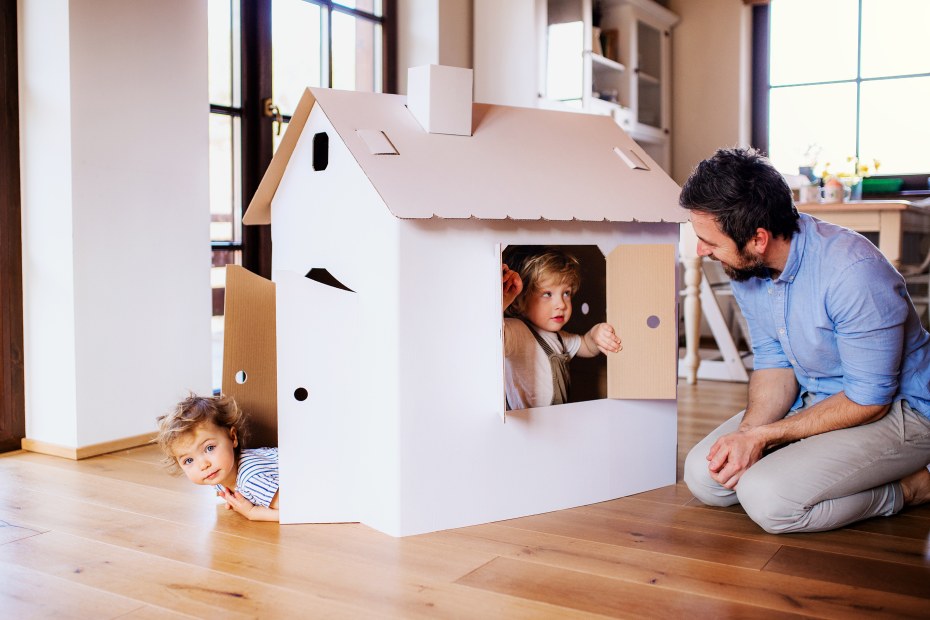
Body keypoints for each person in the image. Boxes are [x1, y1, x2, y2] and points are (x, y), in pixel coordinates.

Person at [680, 147, 930, 533]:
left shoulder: (854, 273)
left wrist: (766, 436)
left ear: (758, 239)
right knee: (705, 477)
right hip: (817, 396)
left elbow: (870, 400)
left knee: (769, 500)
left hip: (900, 409)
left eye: (708, 241)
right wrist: (748, 437)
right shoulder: (747, 267)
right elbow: (773, 362)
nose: (700, 250)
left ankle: (912, 487)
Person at [501, 246, 622, 409]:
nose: (561, 304)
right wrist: (503, 299)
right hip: (527, 424)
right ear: (518, 301)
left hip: (556, 418)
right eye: (547, 294)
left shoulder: (559, 337)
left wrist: (595, 335)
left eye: (566, 293)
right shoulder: (516, 331)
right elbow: (490, 334)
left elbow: (585, 346)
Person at [156, 393, 280, 522]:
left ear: (233, 437)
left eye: (209, 448)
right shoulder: (221, 474)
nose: (203, 465)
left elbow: (298, 508)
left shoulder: (250, 480)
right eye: (189, 460)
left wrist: (252, 512)